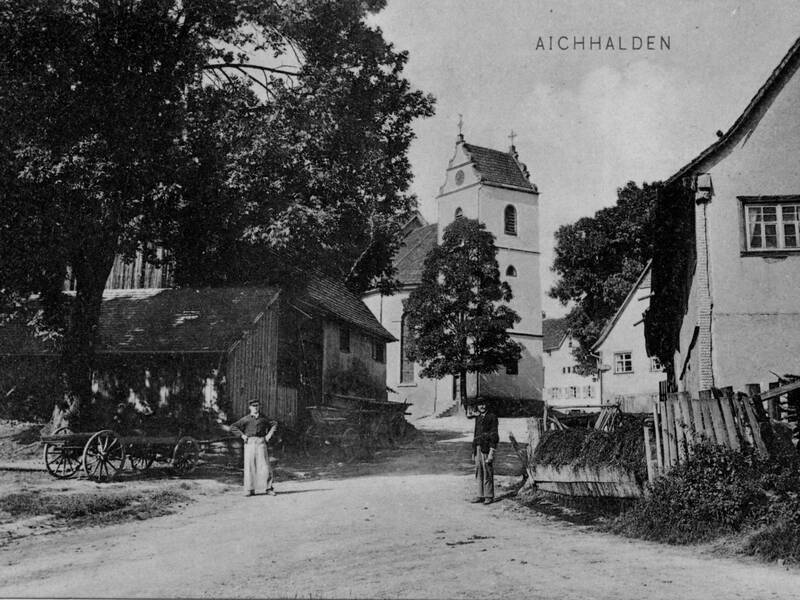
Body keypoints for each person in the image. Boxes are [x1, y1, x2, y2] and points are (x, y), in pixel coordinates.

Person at [229, 400, 278, 497]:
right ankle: (249, 489)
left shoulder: (263, 419)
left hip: (261, 443)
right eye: (253, 406)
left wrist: (269, 435)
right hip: (249, 443)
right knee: (249, 467)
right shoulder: (246, 419)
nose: (255, 407)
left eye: (257, 406)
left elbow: (274, 424)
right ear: (250, 407)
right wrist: (242, 436)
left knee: (265, 466)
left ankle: (269, 488)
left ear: (259, 407)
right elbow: (233, 427)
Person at [470, 398, 498, 505]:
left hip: (487, 448)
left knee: (487, 471)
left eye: (484, 404)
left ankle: (489, 496)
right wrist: (473, 450)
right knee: (479, 471)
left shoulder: (492, 417)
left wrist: (492, 451)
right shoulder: (478, 418)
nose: (482, 406)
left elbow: (494, 435)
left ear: (487, 405)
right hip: (478, 447)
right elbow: (475, 435)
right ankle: (480, 495)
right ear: (477, 406)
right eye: (480, 405)